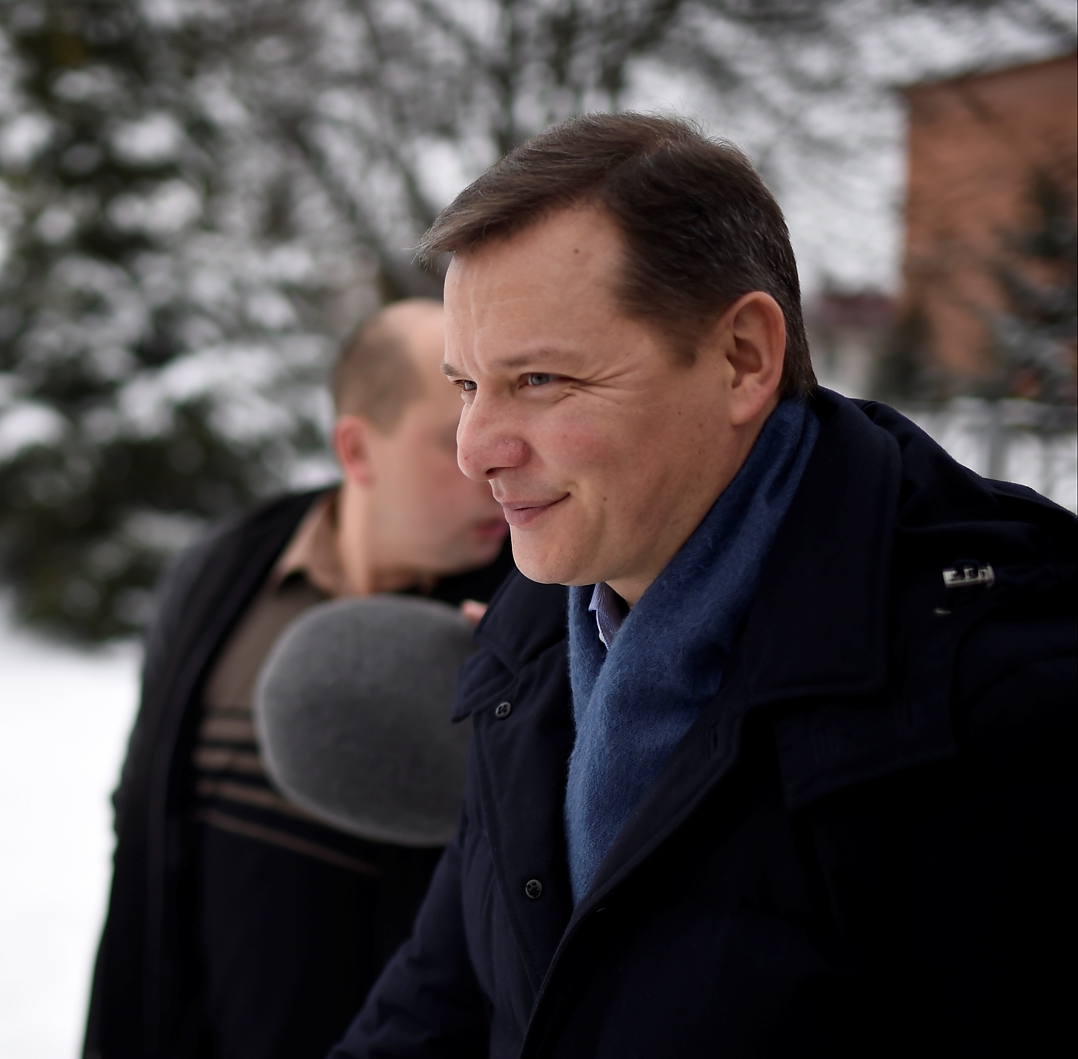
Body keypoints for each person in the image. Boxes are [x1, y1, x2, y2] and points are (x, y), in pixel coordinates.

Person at [332, 115, 1076, 1058]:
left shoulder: (1009, 698)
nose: (475, 449)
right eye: (467, 386)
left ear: (742, 358)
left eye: (541, 378)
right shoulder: (534, 634)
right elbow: (436, 1003)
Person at [83, 299, 512, 1059]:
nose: (491, 459)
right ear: (357, 450)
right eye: (453, 434)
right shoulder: (223, 571)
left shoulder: (534, 615)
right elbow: (145, 824)